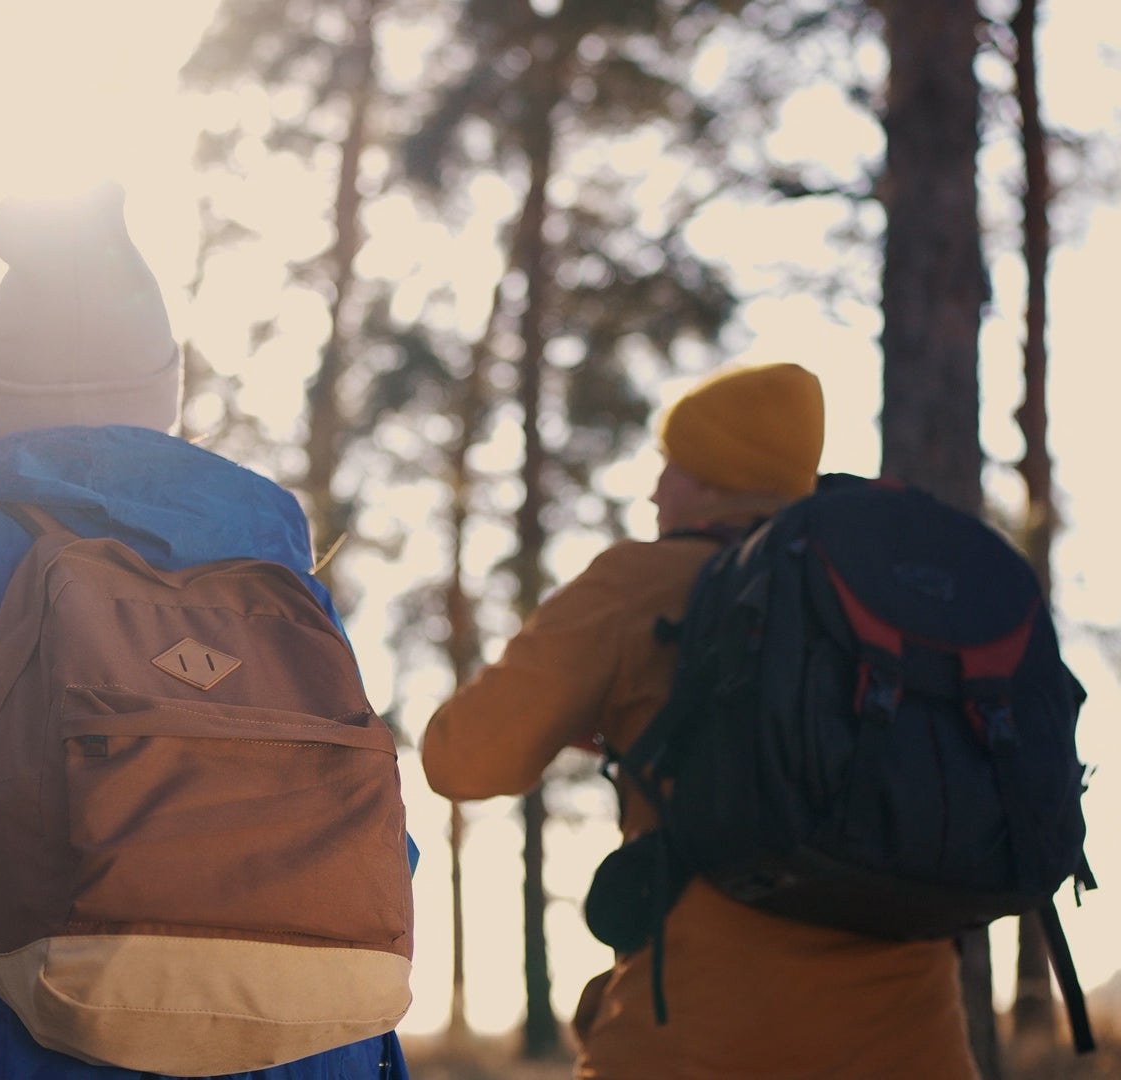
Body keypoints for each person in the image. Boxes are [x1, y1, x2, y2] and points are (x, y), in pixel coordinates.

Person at [0, 184, 412, 1079]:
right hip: (310, 1049)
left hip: (24, 1046)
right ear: (161, 392)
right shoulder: (282, 579)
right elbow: (381, 840)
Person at [419, 363, 978, 1078]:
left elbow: (461, 759)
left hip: (698, 1038)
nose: (656, 489)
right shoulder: (894, 598)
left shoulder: (638, 582)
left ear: (715, 478)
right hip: (918, 1045)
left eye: (671, 465)